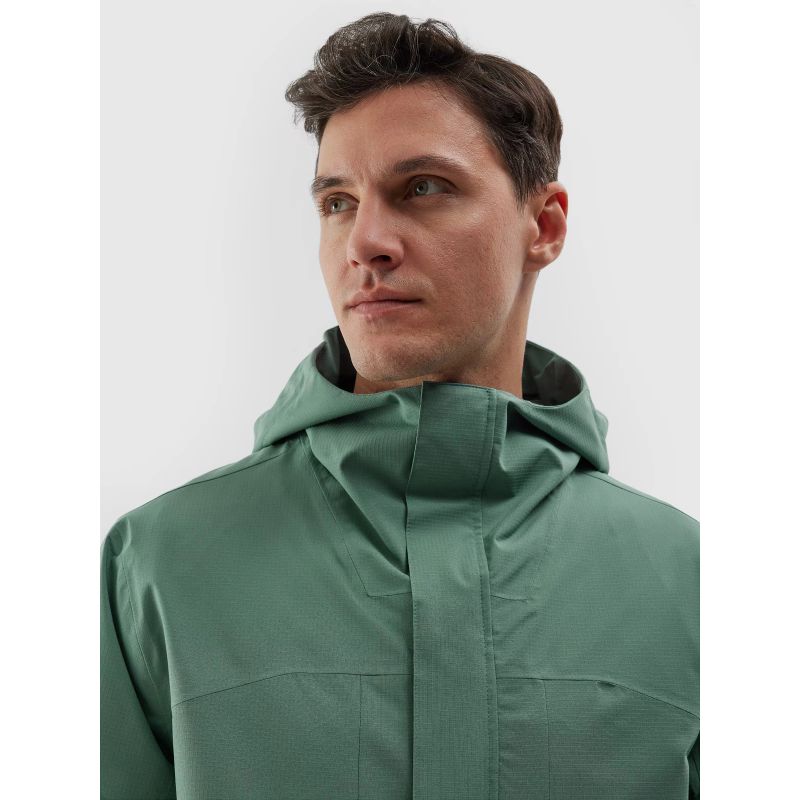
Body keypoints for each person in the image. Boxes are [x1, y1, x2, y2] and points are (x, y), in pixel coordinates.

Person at [100, 12, 699, 800]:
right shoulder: (161, 566)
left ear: (544, 225)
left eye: (423, 188)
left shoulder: (690, 582)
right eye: (338, 202)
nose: (365, 242)